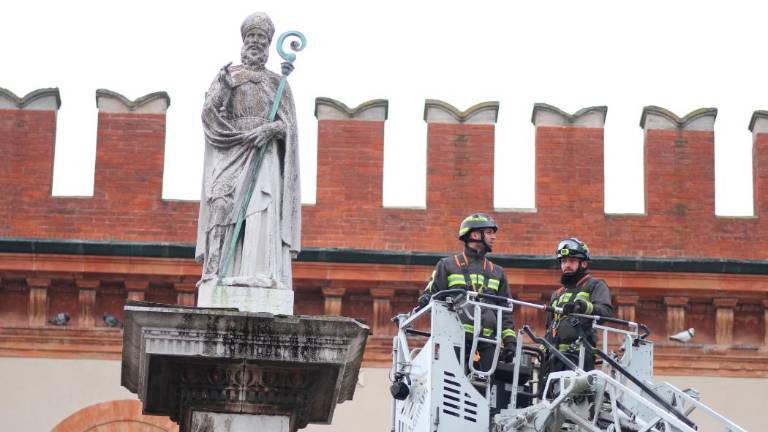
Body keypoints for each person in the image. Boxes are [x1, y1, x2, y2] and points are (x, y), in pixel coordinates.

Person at [195, 12, 301, 292]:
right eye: (251, 37)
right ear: (243, 42)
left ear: (268, 45)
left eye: (261, 38)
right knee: (220, 203)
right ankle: (214, 272)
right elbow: (209, 114)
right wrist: (223, 89)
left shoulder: (278, 83)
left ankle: (257, 270)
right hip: (231, 148)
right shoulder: (228, 76)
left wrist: (272, 129)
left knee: (259, 209)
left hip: (264, 153)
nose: (255, 42)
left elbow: (289, 128)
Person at [418, 213, 516, 370]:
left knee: (487, 384)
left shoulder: (497, 272)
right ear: (475, 235)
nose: (494, 237)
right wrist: (425, 299)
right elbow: (431, 294)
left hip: (488, 343)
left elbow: (505, 311)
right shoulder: (447, 265)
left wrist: (510, 342)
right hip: (454, 339)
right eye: (489, 233)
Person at [544, 237, 613, 373]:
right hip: (553, 358)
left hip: (579, 356)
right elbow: (549, 327)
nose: (566, 265)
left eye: (572, 261)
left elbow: (606, 312)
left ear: (584, 263)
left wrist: (581, 307)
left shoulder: (594, 285)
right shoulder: (557, 294)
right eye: (563, 261)